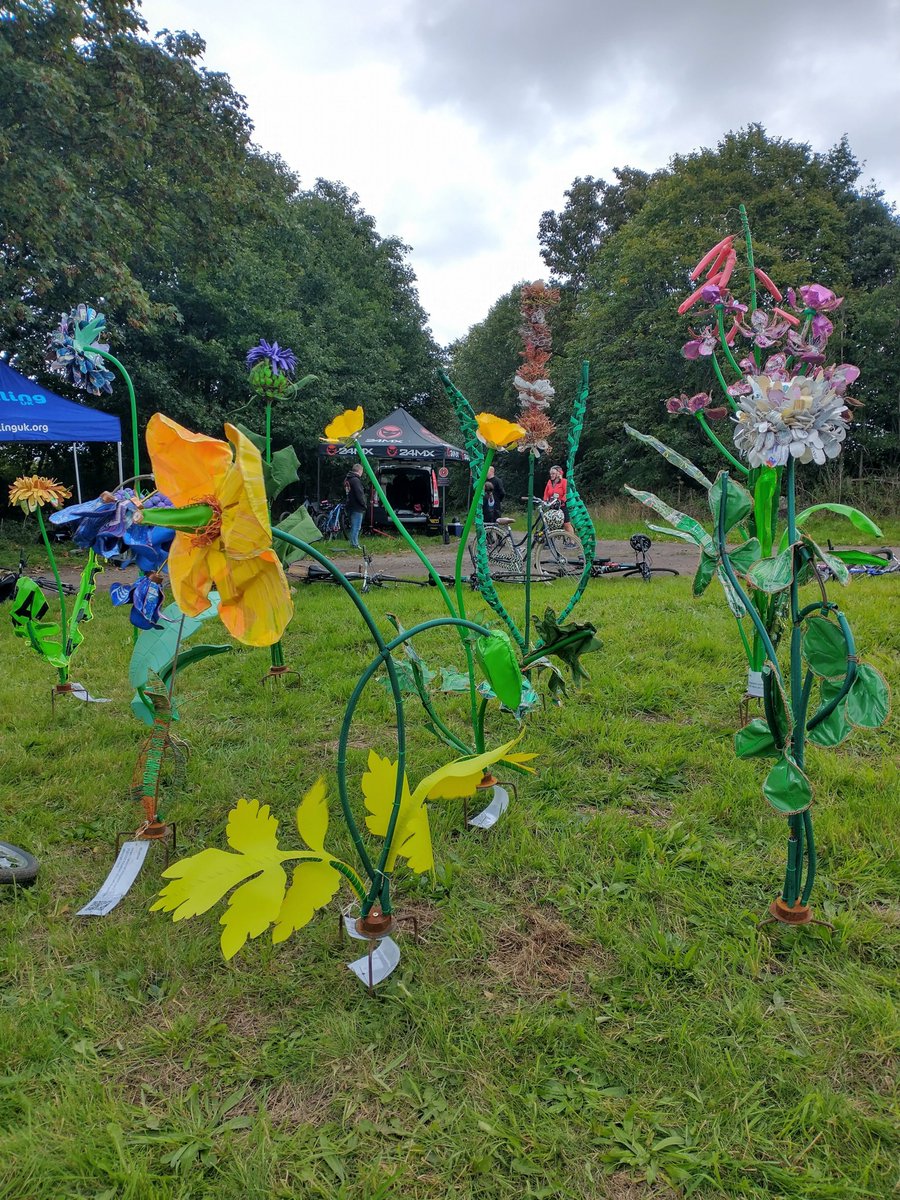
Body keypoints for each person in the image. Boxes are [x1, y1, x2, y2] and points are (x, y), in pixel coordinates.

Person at [543, 464, 576, 539]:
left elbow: (566, 493)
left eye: (553, 473)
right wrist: (545, 501)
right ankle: (548, 540)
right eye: (551, 474)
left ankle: (572, 540)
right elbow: (546, 493)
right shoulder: (549, 482)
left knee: (566, 523)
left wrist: (562, 501)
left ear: (558, 474)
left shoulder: (564, 481)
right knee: (548, 522)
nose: (551, 475)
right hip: (552, 505)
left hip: (562, 505)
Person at [344, 463, 368, 549]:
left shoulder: (347, 479)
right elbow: (359, 494)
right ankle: (354, 544)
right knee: (356, 526)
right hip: (357, 506)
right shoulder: (356, 480)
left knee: (353, 526)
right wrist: (364, 504)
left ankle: (353, 543)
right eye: (362, 471)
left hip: (349, 505)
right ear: (359, 470)